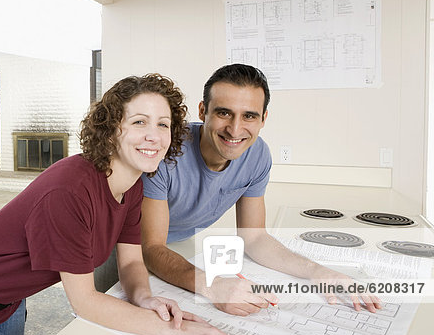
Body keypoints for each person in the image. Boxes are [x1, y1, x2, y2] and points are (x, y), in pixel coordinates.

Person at [0, 74, 251, 335]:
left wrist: (145, 298)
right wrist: (175, 334)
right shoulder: (71, 191)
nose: (154, 135)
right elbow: (85, 301)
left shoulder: (132, 184)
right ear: (112, 129)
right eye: (139, 122)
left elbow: (131, 262)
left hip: (6, 303)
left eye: (163, 124)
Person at [141, 64, 381, 316]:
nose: (235, 129)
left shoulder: (257, 155)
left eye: (249, 116)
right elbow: (151, 248)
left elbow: (254, 238)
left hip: (178, 244)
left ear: (264, 119)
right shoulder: (166, 151)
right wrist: (212, 286)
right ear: (203, 111)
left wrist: (319, 272)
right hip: (125, 244)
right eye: (224, 113)